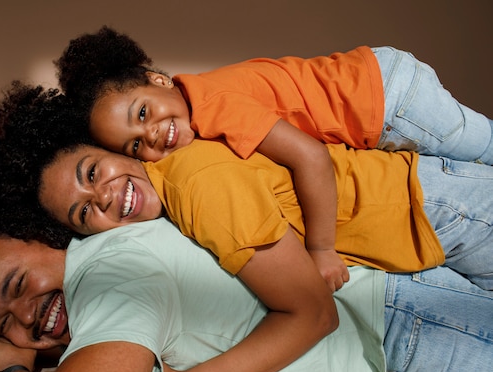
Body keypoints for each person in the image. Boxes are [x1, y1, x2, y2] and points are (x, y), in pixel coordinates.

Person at [55, 26, 493, 284]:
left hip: (388, 95)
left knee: (484, 146)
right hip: (378, 101)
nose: (151, 136)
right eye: (134, 145)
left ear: (159, 79)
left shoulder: (214, 104)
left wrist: (321, 249)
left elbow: (310, 158)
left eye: (144, 112)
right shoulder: (197, 115)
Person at [0, 216, 493, 372]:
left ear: (46, 236)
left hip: (406, 325)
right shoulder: (97, 273)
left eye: (17, 285)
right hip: (398, 317)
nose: (24, 320)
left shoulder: (108, 279)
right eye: (1, 322)